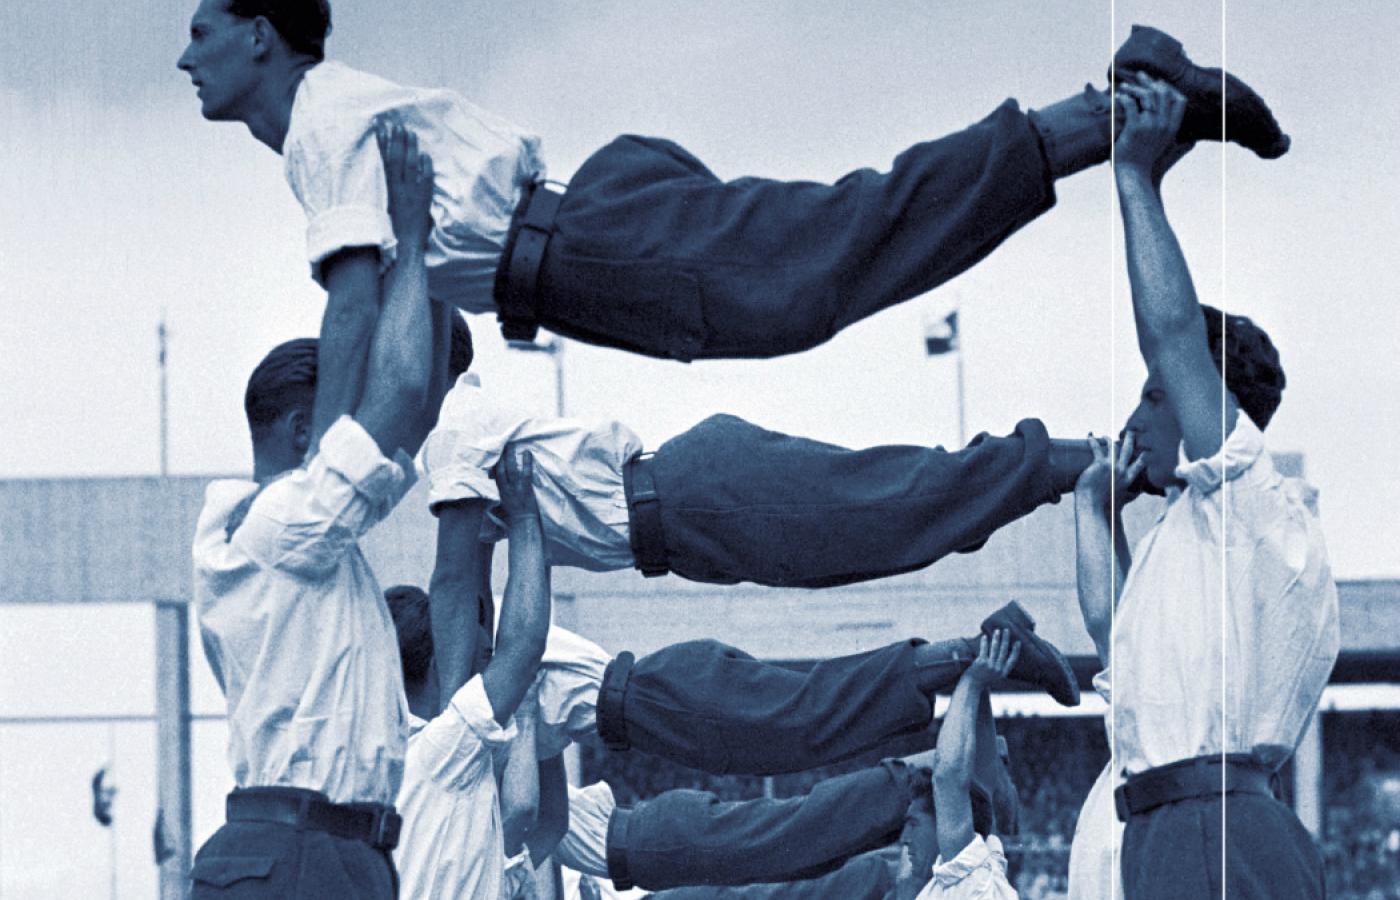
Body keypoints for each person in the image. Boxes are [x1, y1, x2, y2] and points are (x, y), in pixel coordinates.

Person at [176, 0, 1289, 380]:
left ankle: (1111, 109)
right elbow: (415, 318)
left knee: (835, 248)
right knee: (821, 265)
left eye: (201, 31)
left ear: (261, 35)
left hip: (586, 240)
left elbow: (355, 305)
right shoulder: (327, 123)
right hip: (581, 244)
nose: (184, 59)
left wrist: (317, 473)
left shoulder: (320, 119)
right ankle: (1110, 122)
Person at [1066, 74, 1340, 900]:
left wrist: (1135, 179)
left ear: (1208, 401)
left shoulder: (1246, 492)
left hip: (1214, 820)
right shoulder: (1192, 531)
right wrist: (1092, 511)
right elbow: (1118, 639)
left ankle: (1177, 101)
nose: (1134, 419)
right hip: (1175, 823)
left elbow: (1175, 331)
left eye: (1155, 397)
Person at [188, 123, 438, 897]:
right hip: (302, 849)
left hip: (319, 849)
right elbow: (397, 391)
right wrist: (405, 235)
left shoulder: (303, 538)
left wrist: (425, 273)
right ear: (304, 432)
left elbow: (412, 408)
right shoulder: (282, 526)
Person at [421, 369, 1098, 590]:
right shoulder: (457, 445)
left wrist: (449, 725)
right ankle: (1005, 492)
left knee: (897, 505)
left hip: (696, 499)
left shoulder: (455, 424)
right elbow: (472, 593)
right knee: (889, 529)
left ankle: (1085, 460)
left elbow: (454, 585)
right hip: (693, 525)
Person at [387, 450, 552, 900]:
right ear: (436, 667)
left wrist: (484, 539)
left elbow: (473, 629)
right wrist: (524, 520)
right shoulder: (439, 753)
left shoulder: (388, 767)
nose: (488, 668)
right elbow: (522, 648)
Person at [914, 630, 1022, 899]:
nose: (905, 838)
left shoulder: (972, 884)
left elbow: (948, 780)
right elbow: (982, 777)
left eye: (913, 825)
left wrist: (972, 682)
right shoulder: (982, 880)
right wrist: (976, 680)